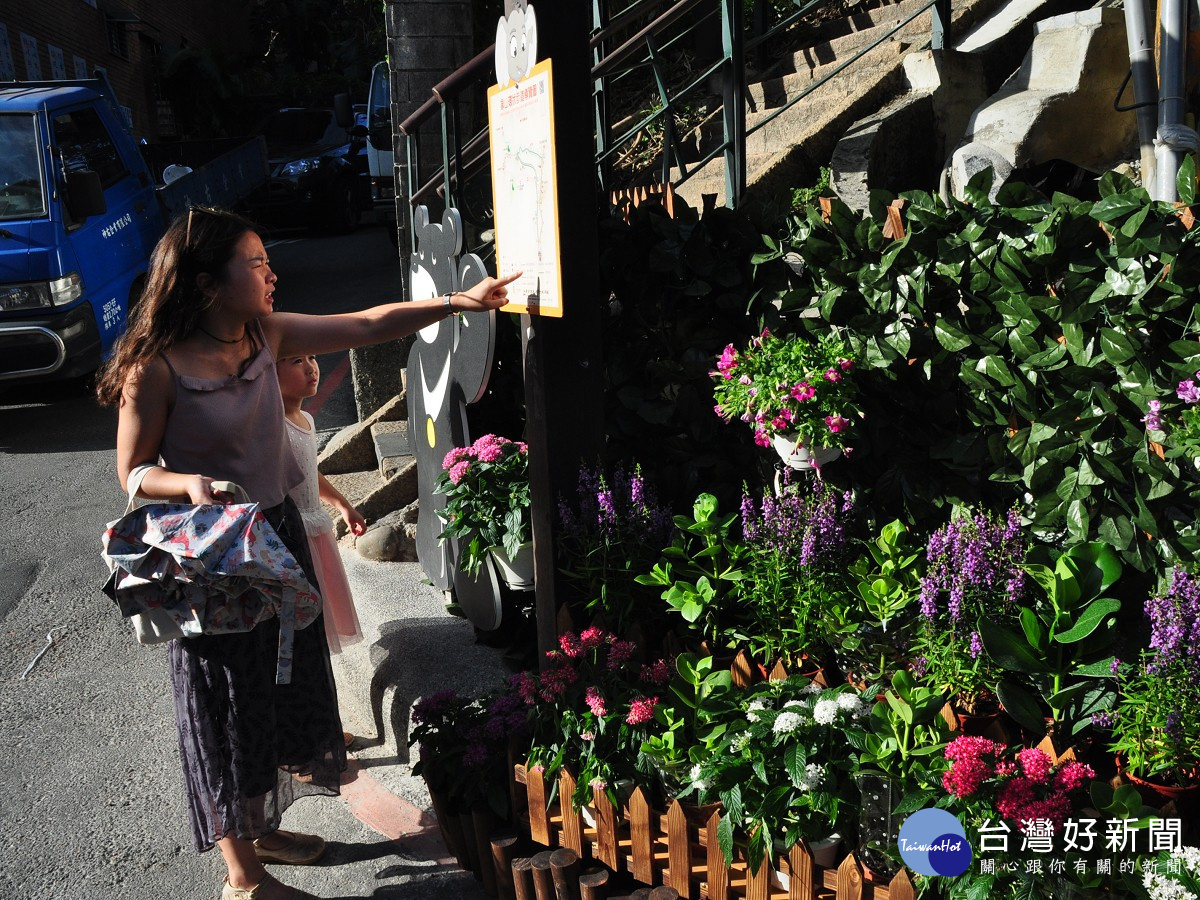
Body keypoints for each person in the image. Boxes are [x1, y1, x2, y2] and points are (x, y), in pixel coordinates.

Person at [95, 206, 516, 900]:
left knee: (277, 690)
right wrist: (187, 482)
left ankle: (260, 832)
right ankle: (243, 879)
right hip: (211, 559)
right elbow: (133, 472)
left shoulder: (267, 334)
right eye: (255, 263)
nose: (271, 274)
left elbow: (366, 323)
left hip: (276, 537)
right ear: (205, 284)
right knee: (222, 706)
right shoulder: (156, 367)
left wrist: (456, 301)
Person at [277, 352, 366, 656]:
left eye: (311, 357)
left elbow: (307, 470)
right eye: (295, 360)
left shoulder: (307, 419)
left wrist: (343, 505)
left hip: (316, 527)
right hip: (293, 534)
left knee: (322, 608)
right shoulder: (274, 425)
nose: (310, 367)